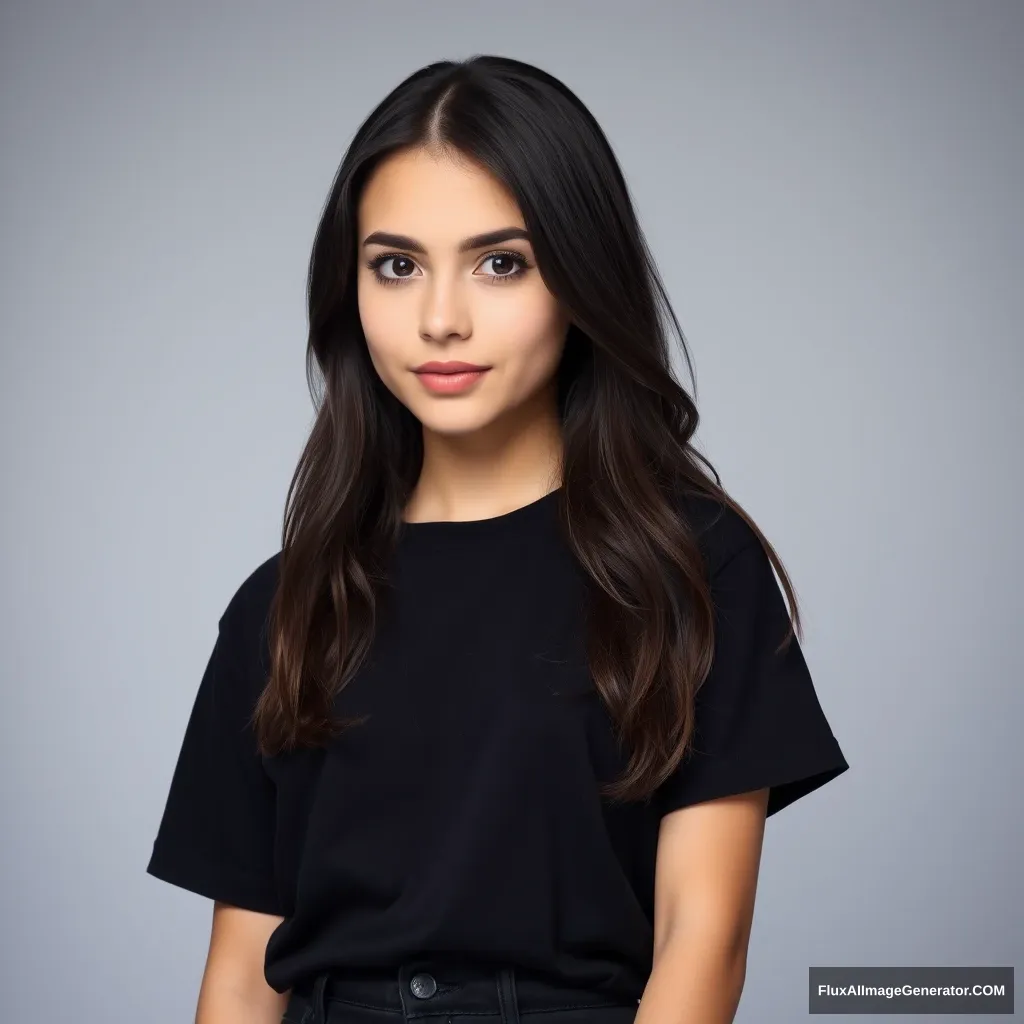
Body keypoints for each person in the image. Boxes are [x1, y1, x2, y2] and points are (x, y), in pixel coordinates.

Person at [146, 54, 849, 1024]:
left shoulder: (687, 566)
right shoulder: (281, 604)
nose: (440, 318)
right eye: (396, 265)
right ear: (348, 288)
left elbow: (704, 941)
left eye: (500, 261)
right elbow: (238, 973)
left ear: (578, 274)